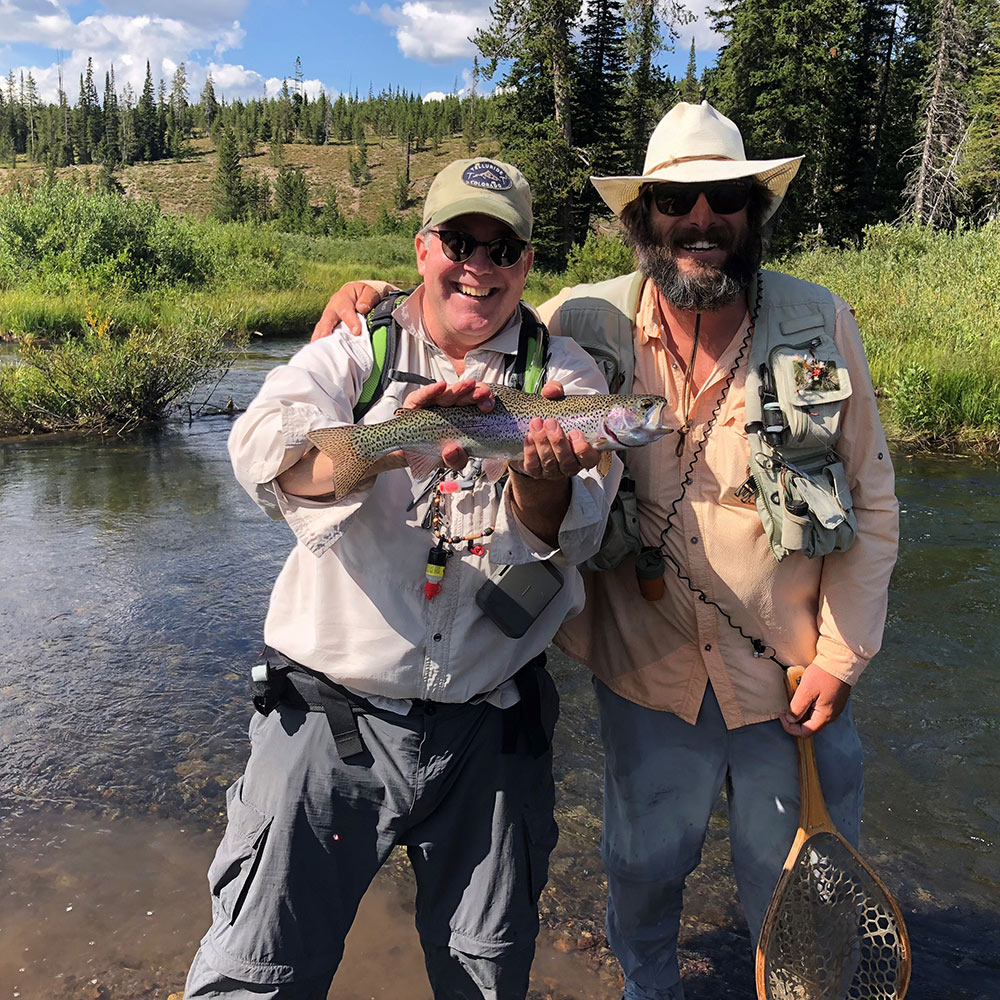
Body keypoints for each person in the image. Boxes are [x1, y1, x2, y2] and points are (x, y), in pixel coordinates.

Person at [311, 102, 899, 1000]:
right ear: (644, 219)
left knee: (791, 886)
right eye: (677, 202)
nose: (701, 219)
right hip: (648, 673)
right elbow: (470, 308)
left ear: (750, 209)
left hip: (793, 679)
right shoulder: (583, 319)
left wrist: (843, 658)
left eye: (722, 199)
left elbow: (875, 501)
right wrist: (372, 303)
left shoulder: (821, 321)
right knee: (642, 868)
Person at [184, 157, 623, 1000]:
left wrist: (542, 476)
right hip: (327, 722)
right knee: (255, 976)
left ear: (528, 264)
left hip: (491, 733)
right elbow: (259, 453)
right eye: (460, 241)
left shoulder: (563, 377)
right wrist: (388, 434)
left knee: (485, 979)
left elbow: (572, 533)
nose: (480, 268)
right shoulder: (359, 350)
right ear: (424, 247)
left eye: (503, 250)